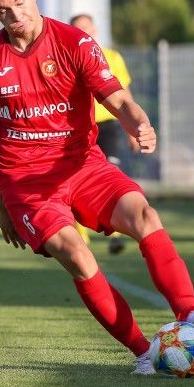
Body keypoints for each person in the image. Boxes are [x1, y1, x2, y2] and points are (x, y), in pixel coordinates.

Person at [0, 0, 194, 375]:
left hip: (82, 165)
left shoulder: (75, 43)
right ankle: (145, 353)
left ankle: (191, 315)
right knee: (77, 254)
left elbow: (116, 98)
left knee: (145, 216)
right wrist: (1, 204)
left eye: (20, 2)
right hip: (24, 181)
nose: (15, 15)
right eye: (2, 10)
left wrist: (138, 123)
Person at [69, 13, 135, 254]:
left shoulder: (112, 57)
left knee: (111, 174)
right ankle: (81, 237)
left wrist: (132, 126)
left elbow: (124, 93)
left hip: (108, 125)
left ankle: (115, 233)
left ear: (95, 30)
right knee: (76, 179)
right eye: (77, 28)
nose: (83, 32)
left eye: (86, 27)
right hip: (81, 127)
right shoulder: (67, 58)